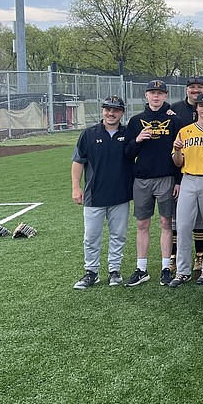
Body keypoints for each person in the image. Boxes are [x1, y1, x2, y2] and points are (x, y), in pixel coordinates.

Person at [124, 80, 183, 287]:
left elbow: (180, 154)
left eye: (160, 93)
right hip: (142, 179)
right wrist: (137, 140)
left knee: (166, 223)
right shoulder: (136, 121)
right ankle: (142, 268)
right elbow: (128, 153)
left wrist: (177, 180)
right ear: (146, 96)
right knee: (142, 223)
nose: (156, 96)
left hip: (166, 177)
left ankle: (166, 267)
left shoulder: (174, 121)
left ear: (166, 96)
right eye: (152, 93)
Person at [71, 96, 134, 289]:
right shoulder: (89, 134)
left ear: (122, 113)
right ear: (103, 111)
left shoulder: (128, 134)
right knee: (91, 237)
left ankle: (114, 271)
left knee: (118, 235)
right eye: (107, 109)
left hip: (120, 194)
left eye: (115, 110)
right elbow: (78, 161)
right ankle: (91, 272)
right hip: (94, 195)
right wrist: (76, 187)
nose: (111, 113)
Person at [169, 92, 203, 287]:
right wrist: (176, 150)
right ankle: (183, 270)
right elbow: (178, 162)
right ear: (197, 108)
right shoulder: (185, 131)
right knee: (183, 226)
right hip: (188, 179)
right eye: (201, 105)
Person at [170, 76, 203, 273]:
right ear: (186, 90)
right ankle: (175, 258)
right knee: (181, 221)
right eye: (192, 87)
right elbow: (174, 150)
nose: (195, 90)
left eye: (199, 87)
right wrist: (177, 180)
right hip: (184, 174)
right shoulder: (174, 110)